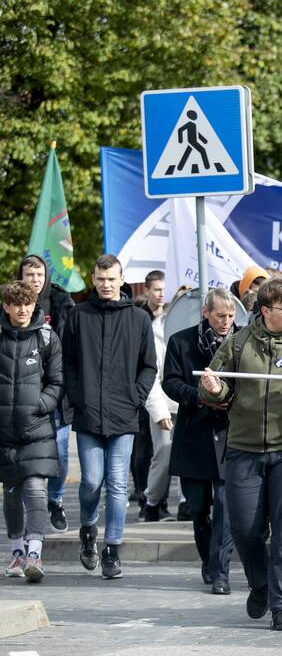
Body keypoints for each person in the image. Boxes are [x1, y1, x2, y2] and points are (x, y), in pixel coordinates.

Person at [199, 279, 282, 632]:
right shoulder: (239, 342)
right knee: (244, 529)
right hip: (243, 450)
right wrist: (213, 389)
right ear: (265, 311)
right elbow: (217, 387)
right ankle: (260, 584)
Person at [64, 254, 157, 580]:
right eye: (100, 279)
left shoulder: (138, 318)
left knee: (118, 483)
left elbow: (148, 366)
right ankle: (88, 528)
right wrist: (79, 397)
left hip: (124, 414)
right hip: (88, 414)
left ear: (121, 280)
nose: (106, 284)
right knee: (91, 480)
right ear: (93, 279)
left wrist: (136, 397)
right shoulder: (77, 316)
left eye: (111, 279)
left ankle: (112, 549)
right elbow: (68, 364)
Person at [161, 288, 237, 595]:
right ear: (206, 313)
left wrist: (227, 398)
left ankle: (221, 571)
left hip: (229, 434)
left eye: (231, 316)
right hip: (194, 434)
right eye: (220, 316)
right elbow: (171, 381)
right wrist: (201, 398)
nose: (226, 322)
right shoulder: (181, 341)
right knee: (198, 509)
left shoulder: (239, 341)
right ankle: (208, 561)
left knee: (225, 505)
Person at [1, 281, 63, 583]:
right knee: (11, 494)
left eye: (28, 303)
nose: (23, 309)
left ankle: (35, 553)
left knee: (37, 491)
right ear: (7, 307)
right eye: (17, 304)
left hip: (37, 430)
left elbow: (57, 382)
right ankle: (16, 551)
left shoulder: (47, 338)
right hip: (4, 432)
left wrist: (40, 405)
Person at [17, 254, 73, 532]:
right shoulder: (13, 307)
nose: (35, 280)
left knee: (61, 453)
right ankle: (33, 511)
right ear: (22, 277)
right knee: (28, 457)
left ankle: (55, 499)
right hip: (23, 395)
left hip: (57, 393)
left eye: (39, 275)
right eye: (29, 275)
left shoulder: (63, 303)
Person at [140, 270, 179, 521]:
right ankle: (152, 502)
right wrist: (158, 410)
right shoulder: (156, 329)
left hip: (192, 404)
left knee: (189, 457)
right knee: (164, 453)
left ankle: (187, 505)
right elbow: (151, 373)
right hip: (165, 404)